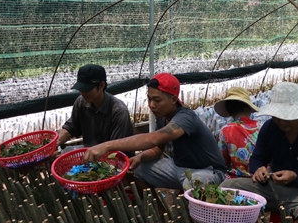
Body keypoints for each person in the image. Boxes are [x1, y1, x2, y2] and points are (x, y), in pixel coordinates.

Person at [221, 82, 298, 223]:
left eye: (287, 117)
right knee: (226, 187)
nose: (281, 122)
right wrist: (258, 169)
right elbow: (257, 158)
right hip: (273, 187)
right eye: (277, 117)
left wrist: (296, 177)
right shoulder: (269, 128)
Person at [83, 73, 227, 190]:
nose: (151, 105)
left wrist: (107, 146)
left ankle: (196, 216)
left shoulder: (185, 117)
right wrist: (140, 158)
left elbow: (153, 139)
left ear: (173, 99)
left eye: (157, 100)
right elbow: (158, 149)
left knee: (194, 184)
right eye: (149, 99)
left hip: (207, 171)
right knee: (134, 169)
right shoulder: (162, 117)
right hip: (178, 167)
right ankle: (161, 211)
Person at [57, 64, 133, 153]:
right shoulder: (81, 102)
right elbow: (71, 127)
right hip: (91, 151)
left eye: (87, 89)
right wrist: (56, 141)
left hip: (115, 156)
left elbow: (116, 150)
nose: (83, 93)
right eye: (81, 89)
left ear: (101, 85)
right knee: (60, 153)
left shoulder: (119, 112)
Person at [214, 87, 261, 178]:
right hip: (261, 177)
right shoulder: (260, 126)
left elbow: (223, 162)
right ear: (248, 108)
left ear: (229, 111)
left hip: (237, 180)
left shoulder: (225, 131)